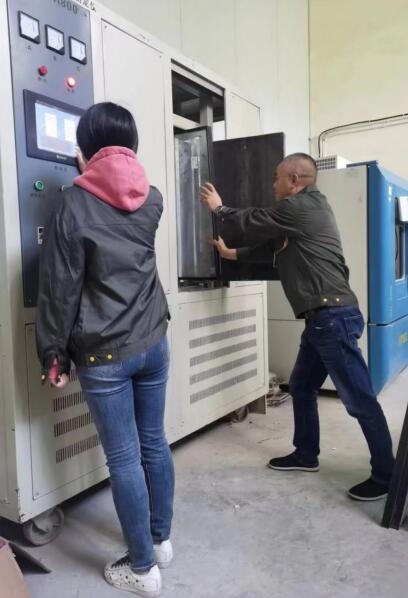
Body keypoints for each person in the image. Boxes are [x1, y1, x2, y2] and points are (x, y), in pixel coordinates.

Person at [36, 102, 174, 597]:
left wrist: (53, 353)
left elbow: (60, 289)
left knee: (124, 458)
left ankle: (141, 570)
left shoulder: (73, 204)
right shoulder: (153, 198)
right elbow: (121, 208)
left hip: (104, 353)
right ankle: (159, 542)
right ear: (131, 143)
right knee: (153, 442)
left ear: (86, 148)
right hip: (153, 340)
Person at [200, 153, 394, 501]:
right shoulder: (301, 214)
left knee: (360, 399)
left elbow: (254, 220)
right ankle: (306, 455)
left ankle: (387, 475)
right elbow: (269, 248)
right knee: (302, 387)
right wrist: (230, 255)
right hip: (322, 320)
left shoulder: (301, 206)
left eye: (277, 177)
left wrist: (220, 209)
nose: (273, 184)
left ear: (294, 180)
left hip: (332, 318)